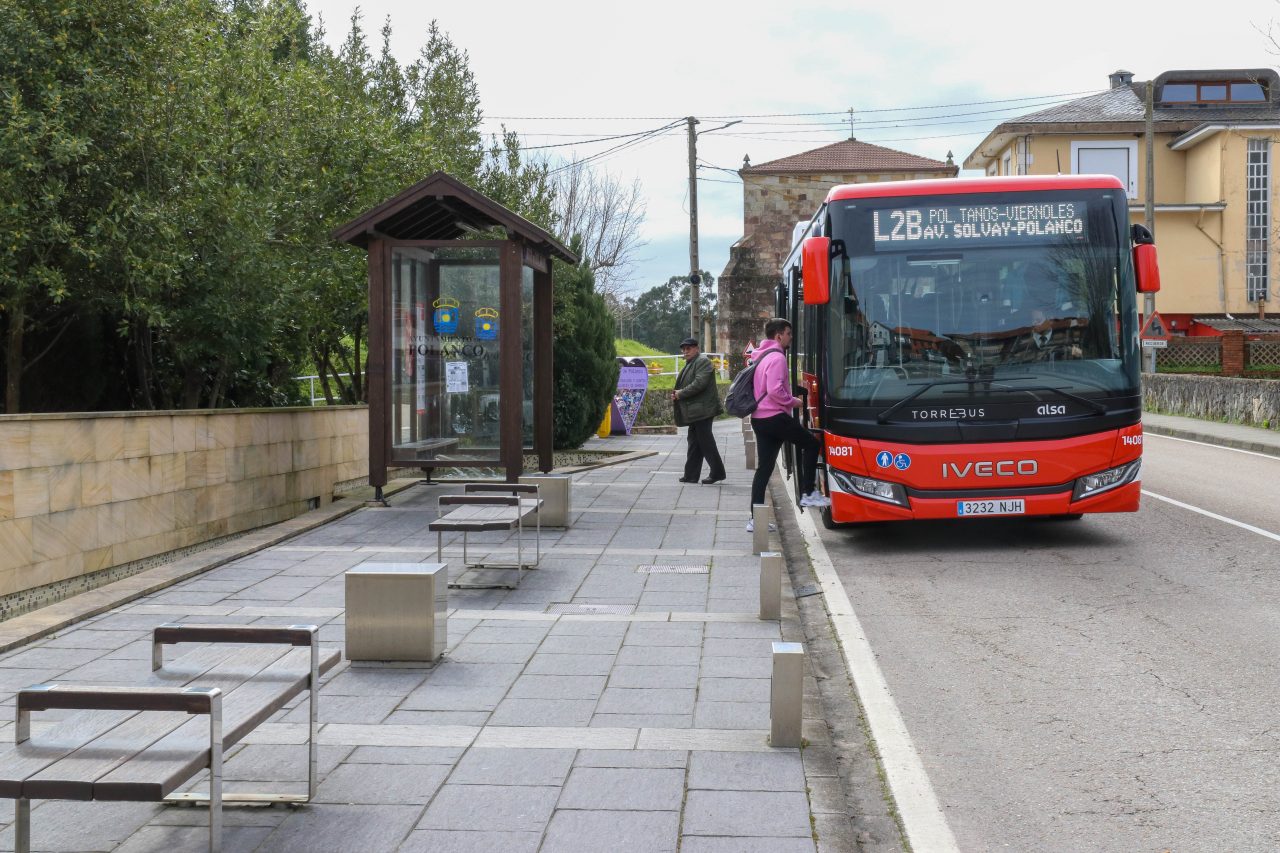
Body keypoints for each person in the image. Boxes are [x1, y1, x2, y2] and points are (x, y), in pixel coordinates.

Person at [747, 318, 829, 531]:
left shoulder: (760, 356)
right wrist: (795, 401)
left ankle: (755, 520)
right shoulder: (777, 358)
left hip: (759, 418)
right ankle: (808, 494)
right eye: (789, 333)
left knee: (764, 468)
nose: (791, 337)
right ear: (778, 336)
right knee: (811, 444)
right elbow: (775, 391)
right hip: (775, 417)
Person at [671, 337, 726, 485]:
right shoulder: (692, 363)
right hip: (698, 410)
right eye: (683, 349)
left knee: (705, 441)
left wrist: (680, 393)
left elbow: (699, 384)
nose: (685, 351)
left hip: (703, 410)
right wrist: (677, 393)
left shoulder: (702, 361)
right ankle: (691, 475)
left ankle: (717, 472)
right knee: (695, 442)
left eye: (688, 348)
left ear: (697, 348)